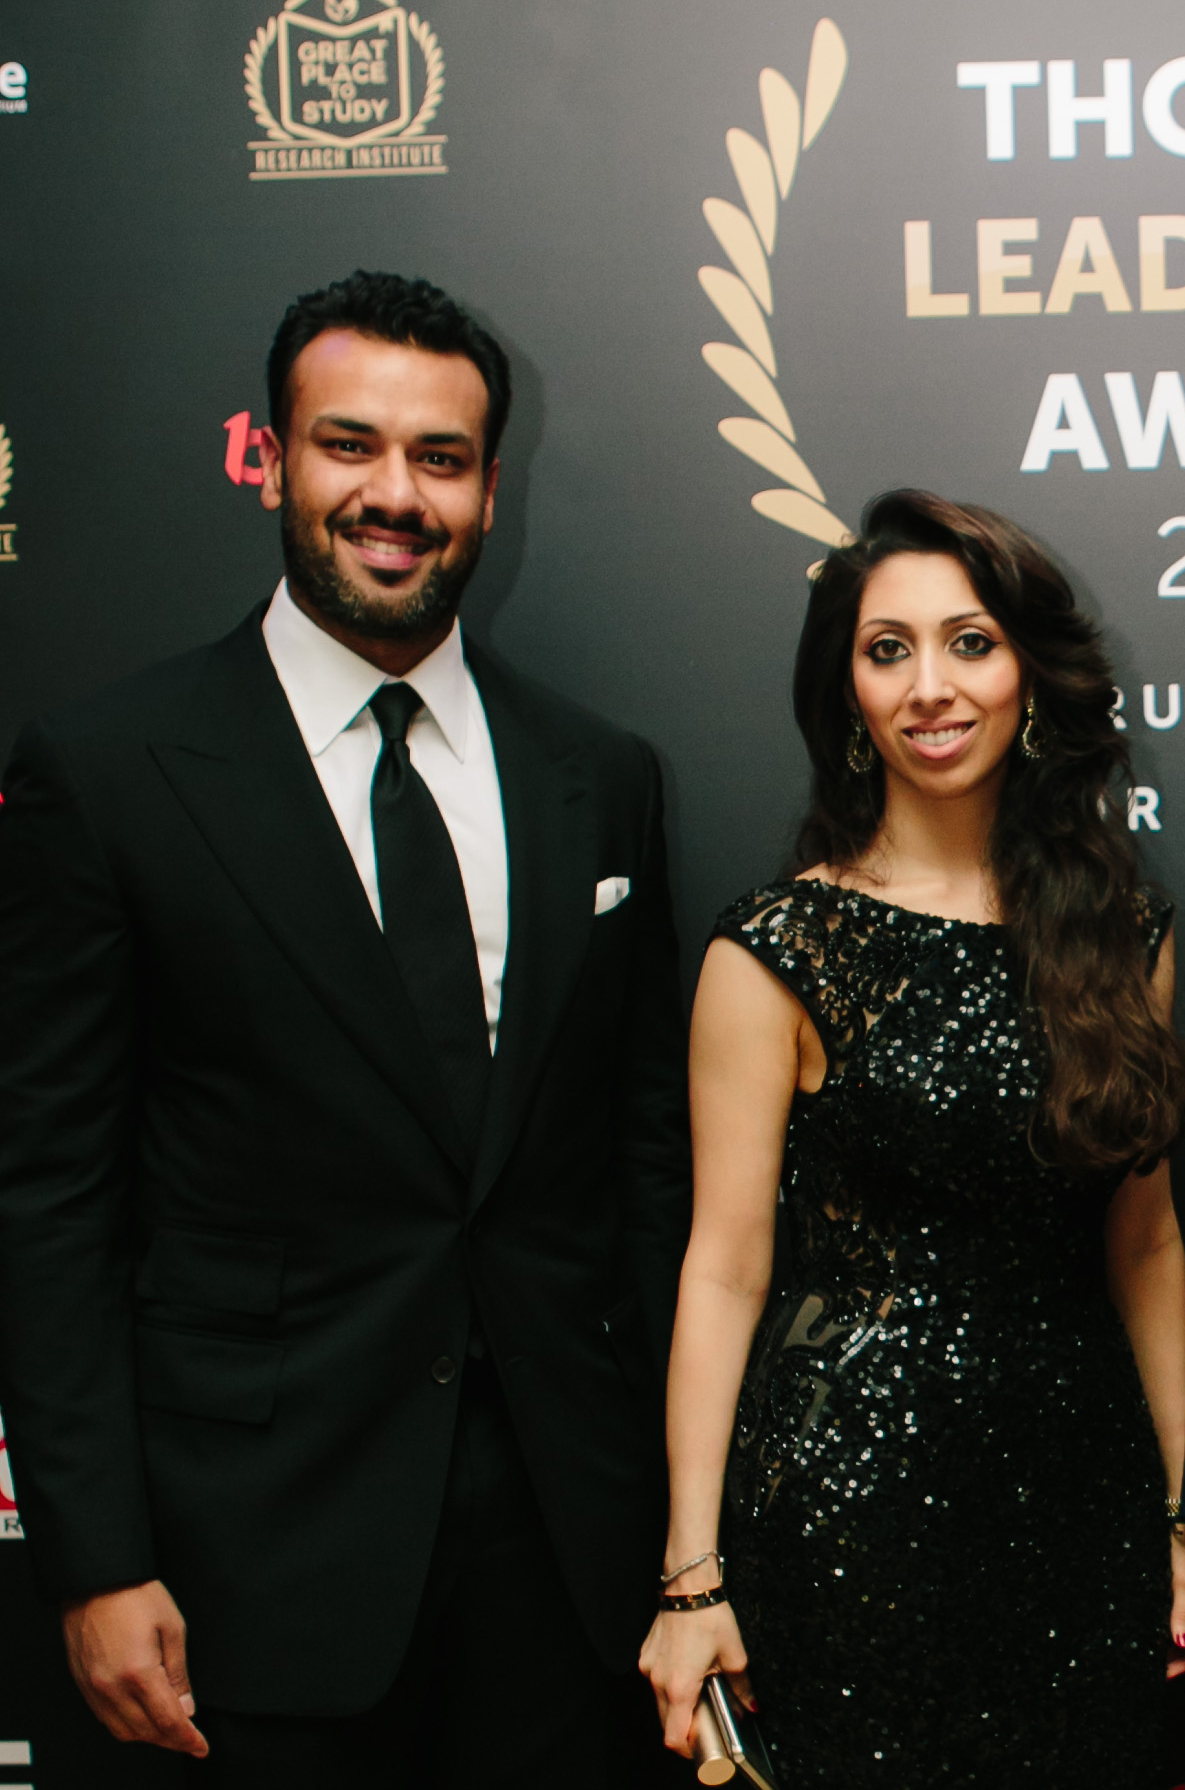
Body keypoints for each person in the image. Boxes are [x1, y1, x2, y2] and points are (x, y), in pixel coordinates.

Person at [0, 272, 692, 1783]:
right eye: (349, 444)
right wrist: (95, 1555)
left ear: (491, 490)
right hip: (243, 1565)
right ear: (269, 459)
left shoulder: (599, 775)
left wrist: (684, 1540)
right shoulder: (109, 772)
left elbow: (644, 1169)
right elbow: (50, 1196)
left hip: (565, 1566)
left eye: (440, 458)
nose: (395, 495)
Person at [636, 490, 1185, 1785]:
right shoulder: (776, 949)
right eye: (887, 649)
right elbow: (724, 1268)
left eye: (970, 642)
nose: (930, 685)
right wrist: (691, 1575)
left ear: (1029, 673)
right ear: (847, 691)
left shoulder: (1124, 937)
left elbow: (1148, 1245)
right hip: (852, 1515)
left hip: (1082, 1504)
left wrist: (1184, 1503)